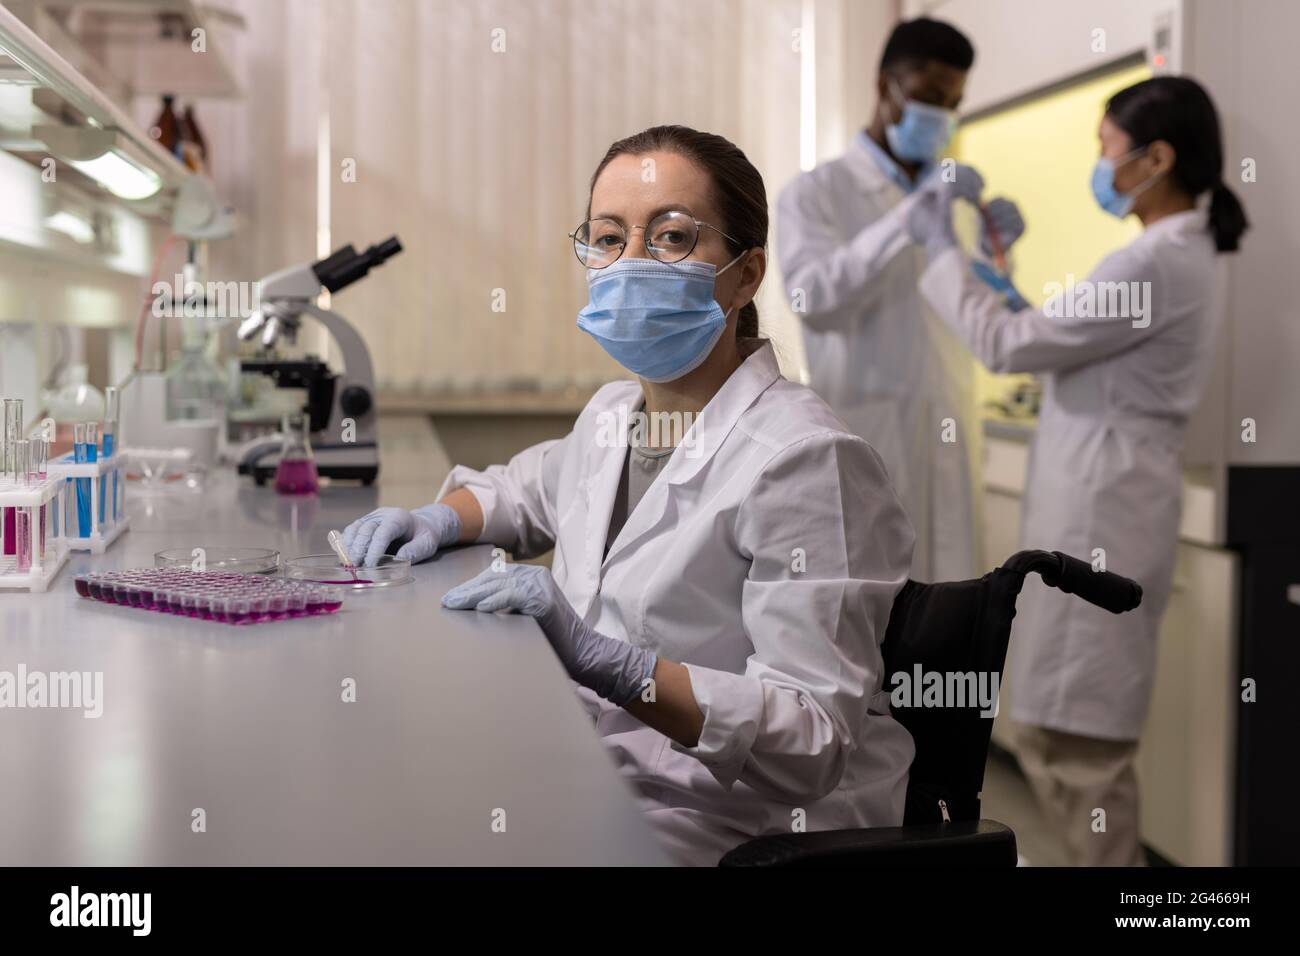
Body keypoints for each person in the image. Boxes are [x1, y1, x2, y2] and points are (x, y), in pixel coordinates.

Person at [342, 125, 917, 866]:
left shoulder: (807, 460)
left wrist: (611, 664)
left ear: (746, 276)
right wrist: (434, 518)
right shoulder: (617, 417)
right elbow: (523, 493)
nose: (632, 262)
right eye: (609, 238)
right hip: (604, 771)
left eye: (673, 238)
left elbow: (811, 741)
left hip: (735, 822)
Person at [905, 76, 1249, 865]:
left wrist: (940, 250)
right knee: (1071, 745)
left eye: (1107, 149)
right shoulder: (1170, 252)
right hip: (1108, 502)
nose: (1101, 164)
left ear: (1156, 159)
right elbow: (1062, 336)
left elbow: (1008, 346)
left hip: (1107, 515)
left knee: (1081, 753)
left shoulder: (1159, 257)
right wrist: (1002, 282)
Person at [777, 17, 1023, 582]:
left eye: (954, 102)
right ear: (885, 84)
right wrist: (901, 225)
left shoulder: (951, 200)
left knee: (950, 626)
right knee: (870, 628)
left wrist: (997, 256)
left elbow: (976, 321)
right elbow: (810, 296)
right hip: (872, 438)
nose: (942, 116)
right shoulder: (817, 193)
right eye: (931, 97)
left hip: (951, 437)